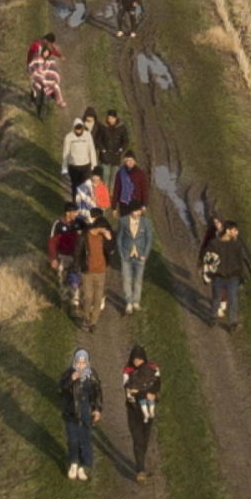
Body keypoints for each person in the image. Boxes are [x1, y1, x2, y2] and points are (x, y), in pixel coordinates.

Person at [60, 348, 102, 480]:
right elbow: (60, 390)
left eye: (83, 363)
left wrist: (97, 409)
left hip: (85, 411)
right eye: (78, 362)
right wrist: (71, 380)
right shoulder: (68, 374)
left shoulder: (92, 375)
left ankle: (83, 466)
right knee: (72, 439)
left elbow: (97, 393)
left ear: (87, 363)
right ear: (74, 362)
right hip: (70, 411)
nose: (80, 365)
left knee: (85, 439)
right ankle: (74, 462)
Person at [121, 344, 162, 479]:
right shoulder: (128, 372)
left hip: (148, 410)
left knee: (145, 438)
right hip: (133, 410)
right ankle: (140, 470)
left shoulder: (153, 369)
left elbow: (157, 386)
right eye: (134, 359)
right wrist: (145, 393)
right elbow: (129, 391)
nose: (136, 362)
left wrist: (152, 395)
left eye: (139, 359)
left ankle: (141, 464)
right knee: (138, 439)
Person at [203, 220, 249, 329]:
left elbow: (240, 261)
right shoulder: (214, 243)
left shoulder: (237, 245)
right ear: (228, 231)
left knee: (233, 299)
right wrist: (207, 272)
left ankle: (233, 323)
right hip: (218, 277)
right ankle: (213, 317)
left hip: (233, 277)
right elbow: (208, 258)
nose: (237, 232)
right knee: (216, 298)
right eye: (235, 230)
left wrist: (241, 277)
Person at [77, 206, 114, 328]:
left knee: (98, 299)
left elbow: (110, 250)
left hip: (101, 271)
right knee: (88, 297)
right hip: (87, 271)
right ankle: (86, 317)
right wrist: (79, 265)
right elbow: (78, 251)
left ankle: (93, 322)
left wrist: (109, 239)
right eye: (104, 228)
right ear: (99, 227)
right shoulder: (85, 236)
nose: (105, 230)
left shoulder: (104, 237)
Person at [115, 201, 154, 316]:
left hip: (140, 256)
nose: (137, 213)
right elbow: (119, 238)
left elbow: (149, 239)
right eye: (135, 211)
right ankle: (128, 302)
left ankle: (136, 301)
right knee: (126, 279)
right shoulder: (123, 221)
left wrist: (145, 254)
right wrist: (121, 253)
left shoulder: (146, 222)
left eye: (139, 211)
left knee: (138, 280)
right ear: (131, 211)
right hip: (126, 255)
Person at [47, 206, 85, 313]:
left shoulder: (79, 222)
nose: (76, 214)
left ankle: (75, 303)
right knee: (62, 279)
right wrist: (53, 258)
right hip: (62, 256)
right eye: (74, 212)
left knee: (76, 279)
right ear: (68, 213)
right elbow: (52, 242)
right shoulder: (58, 224)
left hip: (75, 256)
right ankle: (64, 300)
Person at [62, 116, 98, 193]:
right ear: (74, 128)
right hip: (74, 166)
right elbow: (66, 152)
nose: (78, 131)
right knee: (75, 186)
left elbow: (91, 150)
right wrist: (64, 167)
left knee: (85, 186)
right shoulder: (69, 137)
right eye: (77, 129)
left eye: (80, 128)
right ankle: (75, 200)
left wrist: (94, 165)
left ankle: (84, 200)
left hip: (85, 165)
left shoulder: (88, 135)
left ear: (82, 128)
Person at [94, 109, 128, 185]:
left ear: (116, 118)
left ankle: (112, 192)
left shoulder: (121, 128)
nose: (110, 120)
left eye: (112, 118)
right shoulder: (103, 127)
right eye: (109, 118)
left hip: (116, 156)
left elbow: (125, 140)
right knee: (105, 179)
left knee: (114, 180)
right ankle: (105, 192)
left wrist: (121, 149)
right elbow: (98, 139)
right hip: (105, 157)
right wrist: (102, 149)